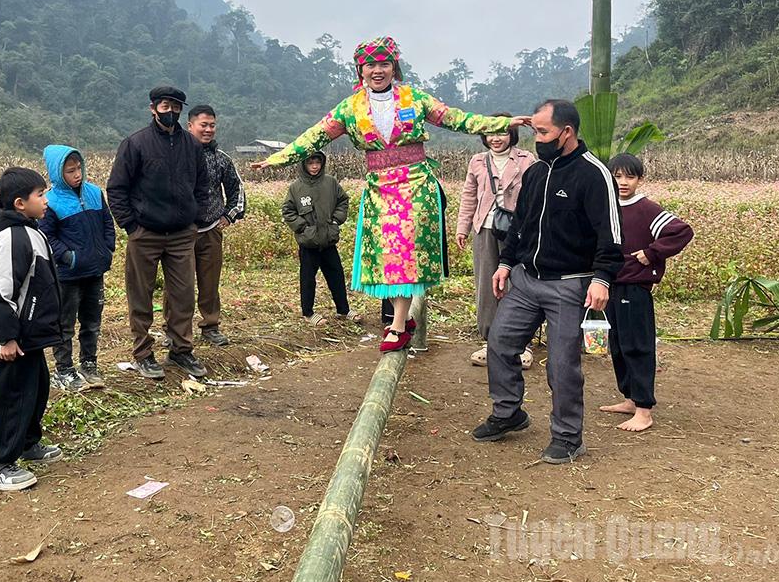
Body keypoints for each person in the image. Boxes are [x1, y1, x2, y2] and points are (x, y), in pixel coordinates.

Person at [253, 37, 525, 352]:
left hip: (416, 187)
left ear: (394, 67)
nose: (378, 70)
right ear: (361, 70)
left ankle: (397, 324)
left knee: (405, 255)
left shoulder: (415, 99)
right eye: (371, 65)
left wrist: (502, 122)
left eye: (385, 64)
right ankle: (403, 319)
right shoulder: (350, 108)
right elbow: (313, 138)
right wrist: (276, 158)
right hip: (379, 190)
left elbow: (458, 119)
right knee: (387, 257)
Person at [472, 99, 623, 465]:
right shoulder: (537, 173)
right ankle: (509, 412)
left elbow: (611, 235)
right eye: (534, 131)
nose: (536, 139)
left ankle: (569, 436)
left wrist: (601, 278)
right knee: (501, 342)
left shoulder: (593, 175)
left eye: (542, 132)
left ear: (566, 132)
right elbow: (521, 224)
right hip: (527, 281)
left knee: (561, 364)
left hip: (570, 285)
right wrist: (506, 263)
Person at [107, 85, 211, 380]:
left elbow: (202, 187)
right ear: (152, 108)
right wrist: (131, 227)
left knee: (183, 296)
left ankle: (181, 350)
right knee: (140, 296)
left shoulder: (191, 146)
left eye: (176, 106)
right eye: (165, 106)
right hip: (146, 233)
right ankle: (143, 353)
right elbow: (117, 189)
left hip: (181, 235)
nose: (171, 111)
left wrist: (195, 221)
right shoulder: (135, 144)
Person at [0, 167, 64, 491]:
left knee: (37, 387)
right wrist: (7, 337)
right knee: (13, 394)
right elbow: (0, 292)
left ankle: (27, 443)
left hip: (32, 334)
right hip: (17, 336)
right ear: (19, 203)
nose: (46, 200)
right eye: (40, 195)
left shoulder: (31, 229)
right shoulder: (9, 238)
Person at [600, 153, 693, 432]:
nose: (623, 182)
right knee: (617, 343)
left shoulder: (646, 209)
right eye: (617, 176)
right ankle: (629, 398)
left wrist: (652, 253)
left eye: (630, 176)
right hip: (610, 285)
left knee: (637, 345)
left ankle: (644, 410)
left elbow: (681, 232)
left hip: (635, 286)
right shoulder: (607, 207)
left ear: (640, 179)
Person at [455, 115, 537, 367]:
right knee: (486, 285)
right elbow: (469, 195)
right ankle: (490, 341)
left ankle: (522, 344)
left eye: (502, 132)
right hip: (485, 229)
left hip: (518, 230)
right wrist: (462, 227)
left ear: (512, 134)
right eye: (491, 133)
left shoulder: (526, 160)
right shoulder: (477, 161)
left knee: (519, 282)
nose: (496, 138)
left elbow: (534, 195)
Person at [40, 144, 116, 392]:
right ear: (57, 173)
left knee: (92, 320)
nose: (77, 174)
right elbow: (48, 237)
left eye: (78, 168)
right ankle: (64, 368)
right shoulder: (50, 202)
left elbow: (107, 223)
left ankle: (89, 363)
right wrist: (68, 257)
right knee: (65, 323)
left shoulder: (94, 193)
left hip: (95, 270)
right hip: (68, 275)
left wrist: (107, 248)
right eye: (70, 170)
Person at [182, 104, 245, 346]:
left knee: (210, 283)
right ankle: (175, 329)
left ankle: (210, 326)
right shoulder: (177, 156)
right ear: (190, 126)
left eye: (212, 125)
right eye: (203, 125)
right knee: (179, 285)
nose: (208, 130)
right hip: (180, 233)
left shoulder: (221, 159)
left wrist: (229, 216)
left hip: (210, 231)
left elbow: (236, 189)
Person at [282, 151, 354, 322]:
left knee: (336, 275)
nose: (314, 166)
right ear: (304, 165)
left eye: (317, 162)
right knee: (308, 279)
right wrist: (303, 228)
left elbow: (343, 201)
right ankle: (308, 313)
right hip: (308, 243)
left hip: (328, 240)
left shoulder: (331, 182)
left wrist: (336, 221)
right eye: (310, 163)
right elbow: (288, 211)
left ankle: (343, 310)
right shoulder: (296, 188)